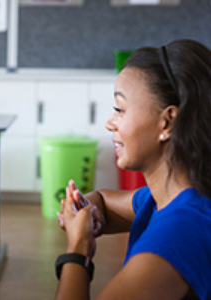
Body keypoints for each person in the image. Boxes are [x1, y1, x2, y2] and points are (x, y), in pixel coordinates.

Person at [55, 39, 211, 300]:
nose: (109, 123)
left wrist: (77, 249)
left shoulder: (181, 230)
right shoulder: (165, 199)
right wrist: (86, 208)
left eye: (120, 110)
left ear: (167, 122)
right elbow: (103, 202)